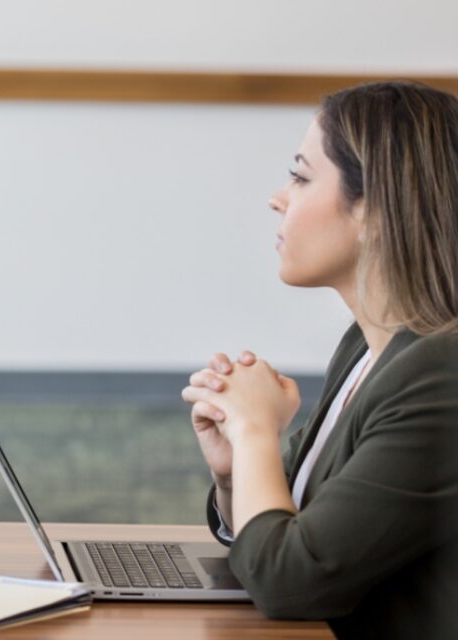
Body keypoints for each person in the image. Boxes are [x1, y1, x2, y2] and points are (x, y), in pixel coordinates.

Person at [181, 81, 458, 638]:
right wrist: (237, 470)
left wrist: (257, 430)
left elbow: (290, 581)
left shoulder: (440, 376)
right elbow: (290, 528)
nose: (278, 197)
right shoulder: (368, 343)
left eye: (302, 177)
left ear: (377, 210)